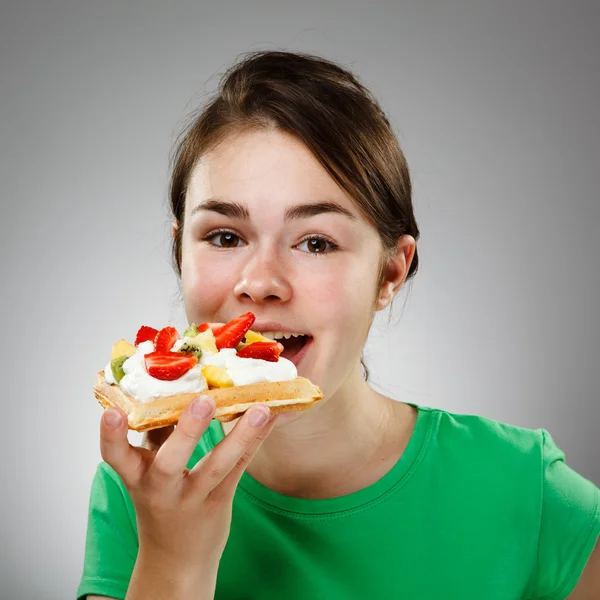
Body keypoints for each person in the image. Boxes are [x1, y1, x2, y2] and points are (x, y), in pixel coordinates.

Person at [77, 51, 599, 600]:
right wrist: (174, 560)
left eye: (316, 242)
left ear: (389, 273)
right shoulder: (147, 480)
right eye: (226, 237)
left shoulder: (528, 492)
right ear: (179, 253)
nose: (260, 282)